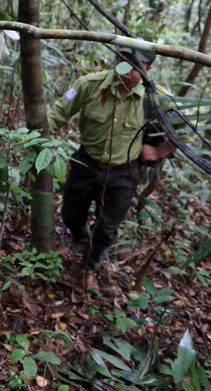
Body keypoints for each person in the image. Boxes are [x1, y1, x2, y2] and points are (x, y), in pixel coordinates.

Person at [48, 44, 174, 278]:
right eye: (121, 62)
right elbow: (57, 113)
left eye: (135, 67)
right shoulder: (88, 85)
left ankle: (90, 266)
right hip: (86, 163)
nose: (125, 71)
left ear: (148, 69)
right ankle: (81, 239)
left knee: (106, 229)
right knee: (71, 215)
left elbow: (188, 128)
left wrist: (158, 152)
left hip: (124, 173)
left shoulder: (158, 99)